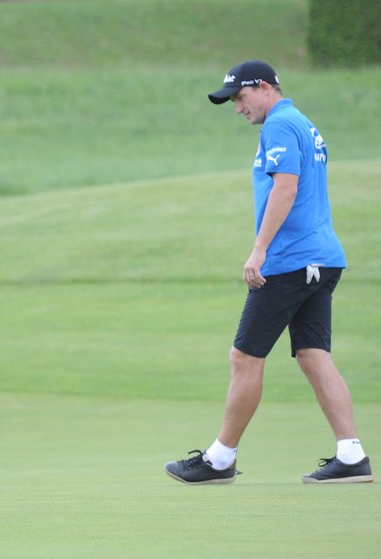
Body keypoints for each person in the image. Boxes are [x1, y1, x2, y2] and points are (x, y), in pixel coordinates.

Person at [165, 60, 371, 485]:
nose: (238, 108)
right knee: (314, 355)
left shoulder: (278, 125)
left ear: (264, 87)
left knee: (245, 356)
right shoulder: (303, 122)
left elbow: (286, 186)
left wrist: (258, 251)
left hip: (291, 260)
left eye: (240, 98)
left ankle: (220, 459)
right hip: (322, 258)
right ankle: (351, 455)